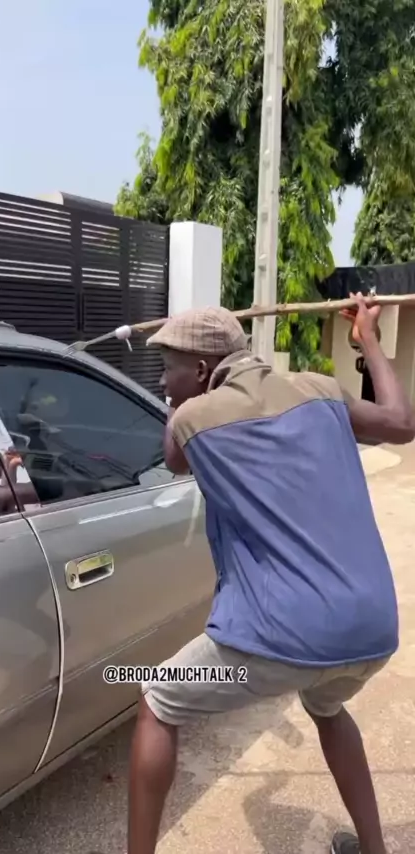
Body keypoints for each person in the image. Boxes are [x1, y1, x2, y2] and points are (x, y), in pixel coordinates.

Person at [127, 293, 415, 854]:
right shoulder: (321, 389)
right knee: (327, 706)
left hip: (283, 637)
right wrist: (369, 340)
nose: (163, 381)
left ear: (202, 370)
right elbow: (402, 423)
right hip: (373, 629)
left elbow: (173, 458)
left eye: (168, 368)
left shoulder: (191, 418)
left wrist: (178, 401)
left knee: (157, 700)